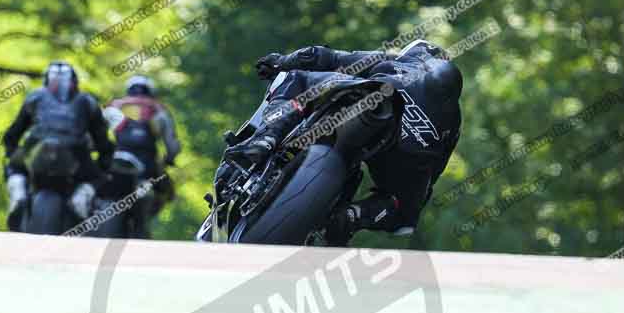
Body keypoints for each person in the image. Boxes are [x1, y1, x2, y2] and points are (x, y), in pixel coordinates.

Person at [225, 40, 462, 245]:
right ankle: (353, 215)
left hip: (375, 100)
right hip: (410, 150)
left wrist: (281, 61)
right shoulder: (453, 121)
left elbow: (320, 56)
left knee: (295, 78)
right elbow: (429, 180)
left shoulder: (395, 62)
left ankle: (268, 136)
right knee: (404, 214)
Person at [2, 61, 115, 231]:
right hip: (75, 153)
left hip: (36, 149)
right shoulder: (88, 102)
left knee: (14, 167)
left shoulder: (35, 97)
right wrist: (105, 162)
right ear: (75, 82)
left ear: (46, 81)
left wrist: (11, 152)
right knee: (97, 176)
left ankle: (18, 190)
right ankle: (81, 198)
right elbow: (102, 140)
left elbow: (12, 133)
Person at [102, 75, 181, 238]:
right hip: (146, 171)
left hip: (115, 166)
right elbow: (172, 145)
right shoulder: (159, 112)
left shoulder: (114, 108)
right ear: (151, 92)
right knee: (167, 191)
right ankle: (142, 225)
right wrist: (169, 159)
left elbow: (96, 135)